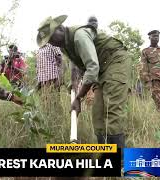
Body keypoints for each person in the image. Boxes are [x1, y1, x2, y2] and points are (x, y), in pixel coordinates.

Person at [37, 15, 131, 148]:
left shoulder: (79, 36)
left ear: (61, 28)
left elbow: (92, 68)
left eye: (51, 37)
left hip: (115, 60)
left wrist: (78, 98)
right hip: (101, 68)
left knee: (111, 109)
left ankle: (119, 159)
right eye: (48, 41)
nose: (51, 42)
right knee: (97, 113)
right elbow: (80, 66)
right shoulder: (65, 45)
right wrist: (73, 84)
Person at [36, 42, 63, 120]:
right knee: (45, 102)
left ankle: (58, 118)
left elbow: (60, 60)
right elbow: (38, 65)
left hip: (52, 78)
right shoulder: (39, 48)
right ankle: (49, 119)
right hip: (42, 80)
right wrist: (38, 81)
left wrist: (60, 77)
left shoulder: (53, 45)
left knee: (55, 100)